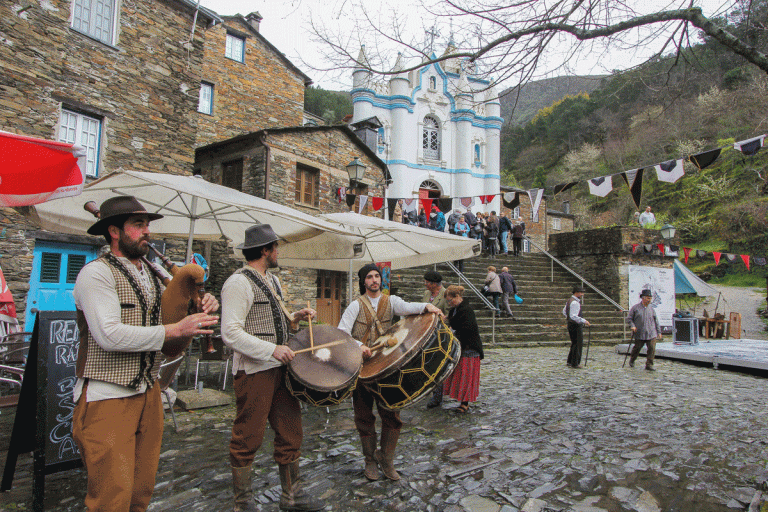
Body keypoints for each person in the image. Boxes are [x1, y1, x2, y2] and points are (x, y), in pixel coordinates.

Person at [73, 196, 220, 512]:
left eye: (148, 225)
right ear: (114, 231)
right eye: (138, 225)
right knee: (111, 500)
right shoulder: (95, 274)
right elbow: (108, 335)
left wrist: (203, 303)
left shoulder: (152, 274)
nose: (147, 232)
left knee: (140, 494)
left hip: (149, 391)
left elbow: (176, 308)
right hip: (107, 396)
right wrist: (175, 330)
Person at [221, 224, 324, 512]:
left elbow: (277, 323)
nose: (278, 252)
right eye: (275, 247)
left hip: (281, 369)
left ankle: (292, 496)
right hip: (254, 372)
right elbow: (230, 333)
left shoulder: (272, 280)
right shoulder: (238, 282)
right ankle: (242, 504)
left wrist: (296, 318)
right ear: (265, 251)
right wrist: (272, 350)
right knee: (248, 435)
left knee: (291, 431)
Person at [338, 263, 442, 481]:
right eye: (370, 277)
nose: (374, 280)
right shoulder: (355, 305)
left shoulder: (390, 301)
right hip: (363, 369)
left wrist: (427, 307)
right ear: (363, 281)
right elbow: (342, 333)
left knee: (392, 415)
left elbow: (407, 307)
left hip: (386, 368)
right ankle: (369, 460)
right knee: (364, 416)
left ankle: (386, 459)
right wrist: (359, 345)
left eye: (377, 276)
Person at [441, 285, 484, 413]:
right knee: (461, 374)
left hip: (469, 347)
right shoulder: (456, 309)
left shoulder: (466, 310)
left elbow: (467, 330)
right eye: (448, 301)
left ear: (458, 296)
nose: (449, 303)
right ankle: (462, 400)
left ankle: (465, 403)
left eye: (450, 300)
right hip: (461, 346)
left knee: (466, 375)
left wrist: (452, 335)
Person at [423, 270, 449, 409]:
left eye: (427, 282)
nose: (425, 285)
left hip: (439, 335)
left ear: (434, 284)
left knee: (437, 365)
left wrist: (439, 318)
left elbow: (449, 317)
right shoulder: (427, 293)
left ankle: (437, 396)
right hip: (425, 334)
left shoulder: (445, 295)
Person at [626, 289, 662, 371]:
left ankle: (649, 364)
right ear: (643, 298)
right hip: (639, 333)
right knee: (637, 348)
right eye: (648, 298)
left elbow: (656, 321)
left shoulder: (651, 309)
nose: (649, 300)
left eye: (650, 298)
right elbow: (629, 319)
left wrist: (659, 332)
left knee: (652, 348)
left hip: (651, 333)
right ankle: (632, 359)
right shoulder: (635, 308)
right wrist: (632, 326)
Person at [563, 285, 590, 368]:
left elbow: (564, 311)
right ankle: (575, 363)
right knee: (578, 343)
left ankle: (570, 361)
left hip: (570, 324)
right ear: (577, 293)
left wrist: (568, 318)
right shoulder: (575, 302)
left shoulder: (569, 301)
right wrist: (584, 321)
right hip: (575, 325)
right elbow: (574, 316)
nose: (582, 294)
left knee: (574, 343)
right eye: (581, 292)